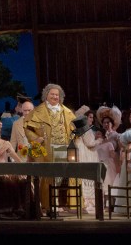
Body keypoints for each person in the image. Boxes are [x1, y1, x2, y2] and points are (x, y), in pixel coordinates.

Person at [23, 83, 76, 213]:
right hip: (47, 149)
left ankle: (64, 203)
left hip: (64, 148)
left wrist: (73, 137)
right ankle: (49, 205)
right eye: (52, 94)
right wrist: (36, 139)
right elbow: (27, 128)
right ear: (46, 95)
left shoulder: (67, 112)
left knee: (63, 177)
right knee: (48, 176)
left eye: (57, 95)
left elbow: (74, 129)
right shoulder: (38, 111)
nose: (55, 97)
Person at [72, 111, 103, 214]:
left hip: (85, 153)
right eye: (90, 117)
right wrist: (99, 140)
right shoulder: (85, 129)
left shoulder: (82, 129)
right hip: (85, 155)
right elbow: (90, 143)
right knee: (87, 178)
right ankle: (87, 203)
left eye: (92, 117)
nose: (92, 120)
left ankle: (87, 202)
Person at [95, 104, 122, 193]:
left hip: (114, 162)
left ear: (112, 123)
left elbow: (120, 150)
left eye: (108, 122)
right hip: (103, 162)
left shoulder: (117, 135)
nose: (106, 124)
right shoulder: (101, 136)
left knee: (113, 185)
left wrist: (118, 164)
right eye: (104, 123)